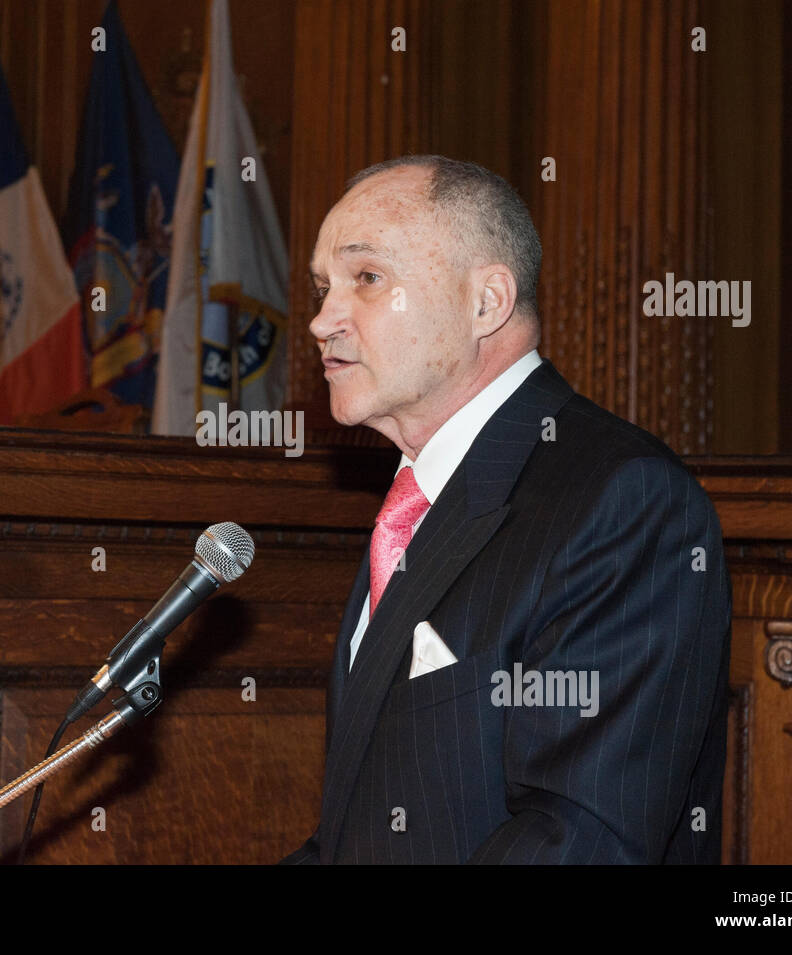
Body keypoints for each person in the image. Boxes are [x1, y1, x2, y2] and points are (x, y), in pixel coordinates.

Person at [284, 155, 731, 864]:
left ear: (486, 302)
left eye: (365, 278)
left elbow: (580, 837)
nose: (320, 320)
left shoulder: (625, 501)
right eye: (321, 287)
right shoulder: (416, 502)